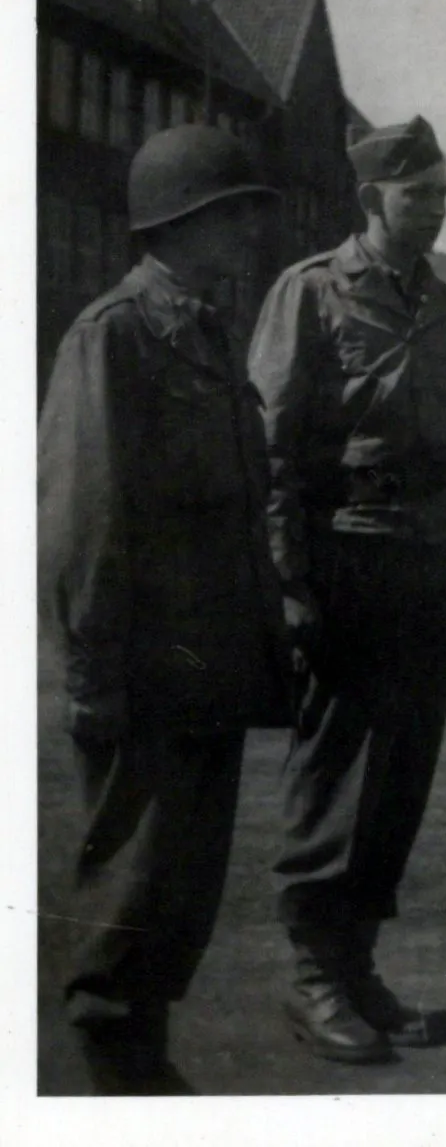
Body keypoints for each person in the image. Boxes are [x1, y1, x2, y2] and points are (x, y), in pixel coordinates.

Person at [38, 125, 292, 1094]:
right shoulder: (114, 335)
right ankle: (117, 1079)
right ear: (185, 221)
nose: (251, 234)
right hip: (144, 675)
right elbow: (84, 520)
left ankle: (142, 1066)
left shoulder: (206, 328)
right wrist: (94, 677)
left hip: (206, 672)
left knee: (179, 898)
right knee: (127, 903)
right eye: (237, 215)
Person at [248, 114, 446, 1065]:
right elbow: (270, 449)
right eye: (417, 193)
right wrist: (288, 582)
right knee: (336, 773)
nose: (434, 208)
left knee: (400, 779)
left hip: (426, 567)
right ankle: (313, 975)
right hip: (348, 561)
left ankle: (357, 962)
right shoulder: (309, 293)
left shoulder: (438, 298)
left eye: (440, 192)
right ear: (369, 199)